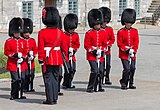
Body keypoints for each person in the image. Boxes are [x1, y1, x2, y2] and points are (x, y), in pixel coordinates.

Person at [38, 7, 68, 105]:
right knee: (55, 78)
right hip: (57, 57)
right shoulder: (60, 32)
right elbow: (64, 48)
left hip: (47, 57)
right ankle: (54, 98)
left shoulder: (42, 32)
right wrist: (66, 58)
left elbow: (41, 47)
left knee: (48, 78)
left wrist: (40, 58)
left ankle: (50, 99)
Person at [84, 9, 108, 93]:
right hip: (91, 55)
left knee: (101, 71)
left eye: (99, 23)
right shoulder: (89, 33)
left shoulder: (103, 32)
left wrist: (102, 50)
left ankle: (99, 86)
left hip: (100, 54)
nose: (98, 25)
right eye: (96, 24)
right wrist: (93, 51)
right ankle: (90, 87)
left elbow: (105, 44)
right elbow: (86, 45)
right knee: (94, 71)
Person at [4, 17, 27, 100]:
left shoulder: (23, 41)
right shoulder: (9, 41)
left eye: (18, 32)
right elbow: (6, 52)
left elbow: (25, 52)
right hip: (13, 64)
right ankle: (14, 94)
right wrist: (14, 55)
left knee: (23, 78)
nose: (17, 34)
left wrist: (23, 58)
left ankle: (20, 94)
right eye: (16, 32)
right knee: (15, 79)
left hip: (22, 64)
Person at [117, 8, 139, 90]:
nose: (129, 24)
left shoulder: (135, 31)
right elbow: (119, 43)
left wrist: (134, 50)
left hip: (132, 53)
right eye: (127, 22)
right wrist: (126, 49)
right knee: (126, 68)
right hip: (124, 54)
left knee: (132, 68)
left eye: (130, 22)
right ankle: (124, 82)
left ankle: (131, 83)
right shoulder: (120, 32)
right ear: (124, 22)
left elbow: (136, 42)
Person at [62, 13, 80, 89]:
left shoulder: (76, 35)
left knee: (73, 69)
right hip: (65, 55)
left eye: (73, 29)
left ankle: (69, 82)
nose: (72, 30)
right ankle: (66, 83)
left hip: (72, 55)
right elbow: (62, 45)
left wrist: (74, 49)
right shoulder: (63, 35)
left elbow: (77, 44)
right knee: (67, 70)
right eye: (71, 29)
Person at [99, 7, 115, 85]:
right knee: (101, 66)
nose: (104, 23)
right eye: (103, 21)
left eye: (106, 21)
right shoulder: (98, 30)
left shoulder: (110, 29)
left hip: (108, 50)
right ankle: (101, 78)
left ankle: (107, 77)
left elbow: (112, 39)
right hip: (101, 50)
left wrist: (109, 44)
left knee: (108, 65)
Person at [21, 18, 38, 92]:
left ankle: (30, 87)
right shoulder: (21, 41)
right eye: (25, 32)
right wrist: (25, 56)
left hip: (31, 61)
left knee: (31, 75)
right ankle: (25, 87)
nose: (27, 34)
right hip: (24, 62)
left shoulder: (32, 40)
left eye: (28, 32)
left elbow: (35, 49)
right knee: (25, 75)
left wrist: (33, 56)